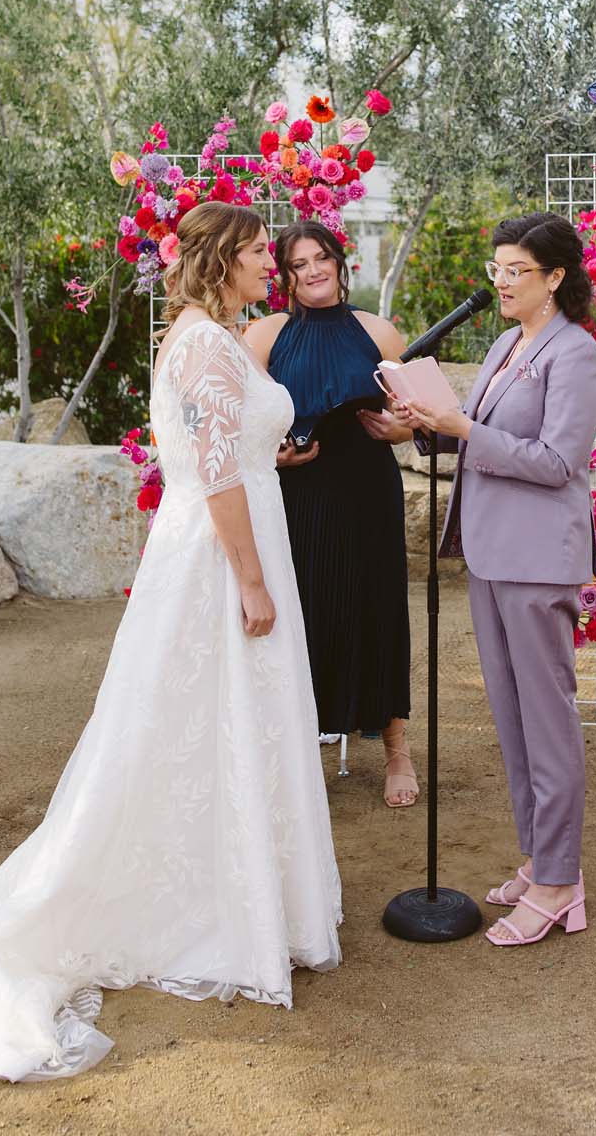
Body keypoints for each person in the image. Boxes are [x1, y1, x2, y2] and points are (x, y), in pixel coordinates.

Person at [0, 203, 341, 1081]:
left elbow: (220, 451)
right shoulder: (209, 345)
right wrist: (252, 579)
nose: (276, 267)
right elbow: (217, 471)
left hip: (226, 532)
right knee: (202, 716)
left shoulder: (200, 336)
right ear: (224, 259)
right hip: (223, 556)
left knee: (215, 720)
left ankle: (238, 890)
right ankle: (217, 908)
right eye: (262, 253)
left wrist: (272, 460)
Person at [393, 212, 596, 948]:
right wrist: (424, 422)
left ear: (556, 278)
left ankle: (559, 880)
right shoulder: (505, 343)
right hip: (490, 553)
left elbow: (556, 463)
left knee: (547, 723)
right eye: (498, 268)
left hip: (538, 560)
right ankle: (540, 858)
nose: (502, 281)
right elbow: (478, 431)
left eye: (517, 270)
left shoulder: (575, 355)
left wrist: (461, 430)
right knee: (513, 721)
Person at [244, 221, 418, 809]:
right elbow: (239, 430)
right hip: (296, 494)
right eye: (298, 264)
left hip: (368, 490)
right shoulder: (264, 337)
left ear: (340, 263)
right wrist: (279, 457)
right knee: (303, 616)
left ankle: (398, 752)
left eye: (322, 258)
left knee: (379, 610)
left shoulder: (380, 332)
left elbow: (421, 414)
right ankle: (295, 760)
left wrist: (402, 426)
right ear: (285, 276)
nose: (313, 270)